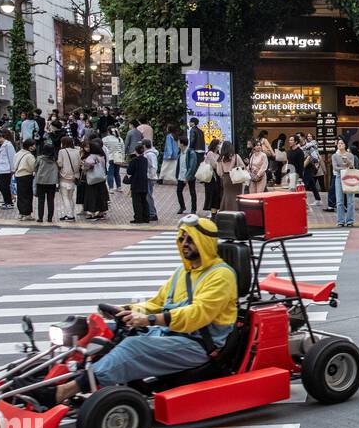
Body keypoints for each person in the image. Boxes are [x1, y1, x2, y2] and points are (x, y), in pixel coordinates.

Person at [54, 216, 241, 404]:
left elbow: (197, 314)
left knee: (132, 347)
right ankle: (62, 375)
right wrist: (127, 310)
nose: (184, 243)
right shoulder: (183, 272)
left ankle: (65, 390)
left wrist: (150, 320)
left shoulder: (222, 275)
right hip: (170, 334)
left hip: (199, 344)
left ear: (205, 242)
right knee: (107, 334)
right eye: (182, 238)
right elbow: (156, 303)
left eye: (190, 239)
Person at [330, 138, 357, 227]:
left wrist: (348, 162)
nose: (340, 144)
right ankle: (340, 221)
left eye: (342, 143)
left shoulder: (350, 155)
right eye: (338, 143)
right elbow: (335, 168)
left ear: (345, 145)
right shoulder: (334, 156)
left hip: (349, 177)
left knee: (350, 200)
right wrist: (345, 168)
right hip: (338, 177)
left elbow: (352, 166)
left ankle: (350, 221)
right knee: (339, 201)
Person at [81, 139, 109, 220]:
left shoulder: (91, 156)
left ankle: (92, 212)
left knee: (91, 195)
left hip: (92, 179)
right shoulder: (102, 156)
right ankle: (101, 212)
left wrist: (83, 165)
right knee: (101, 196)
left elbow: (87, 166)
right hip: (101, 178)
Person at [34, 141, 59, 223]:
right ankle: (50, 218)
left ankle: (40, 217)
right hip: (52, 182)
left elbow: (35, 168)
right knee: (50, 200)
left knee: (41, 200)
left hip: (41, 181)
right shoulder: (55, 159)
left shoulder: (39, 158)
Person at [217, 139, 246, 212]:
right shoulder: (236, 156)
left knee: (227, 195)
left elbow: (219, 172)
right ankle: (237, 211)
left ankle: (226, 211)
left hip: (226, 179)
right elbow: (243, 166)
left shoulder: (220, 158)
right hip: (237, 178)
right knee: (237, 196)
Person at [56, 135, 80, 222]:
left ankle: (69, 215)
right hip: (74, 177)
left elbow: (60, 164)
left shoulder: (62, 151)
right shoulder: (77, 151)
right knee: (70, 197)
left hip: (64, 176)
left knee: (65, 197)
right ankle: (71, 214)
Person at [127, 142, 150, 224]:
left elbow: (129, 171)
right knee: (144, 200)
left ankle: (138, 218)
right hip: (144, 182)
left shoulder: (134, 160)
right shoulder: (145, 160)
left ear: (136, 151)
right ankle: (146, 217)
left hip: (136, 183)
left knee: (136, 202)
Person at [0, 129, 16, 209]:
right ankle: (6, 202)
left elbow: (12, 157)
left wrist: (13, 169)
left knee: (5, 187)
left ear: (0, 137)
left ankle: (9, 203)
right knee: (2, 187)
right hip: (0, 169)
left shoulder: (8, 145)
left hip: (6, 169)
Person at [13, 140, 37, 221]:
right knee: (27, 195)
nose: (34, 147)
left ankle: (21, 213)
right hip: (26, 176)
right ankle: (27, 214)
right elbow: (33, 167)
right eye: (33, 145)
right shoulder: (29, 156)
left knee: (20, 195)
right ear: (29, 146)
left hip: (18, 175)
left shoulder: (18, 153)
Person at [176, 135, 198, 214]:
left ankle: (193, 209)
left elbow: (192, 166)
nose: (177, 143)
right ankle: (182, 207)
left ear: (182, 143)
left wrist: (187, 177)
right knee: (178, 191)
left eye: (178, 142)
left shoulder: (191, 152)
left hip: (189, 176)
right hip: (181, 175)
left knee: (192, 192)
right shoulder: (180, 153)